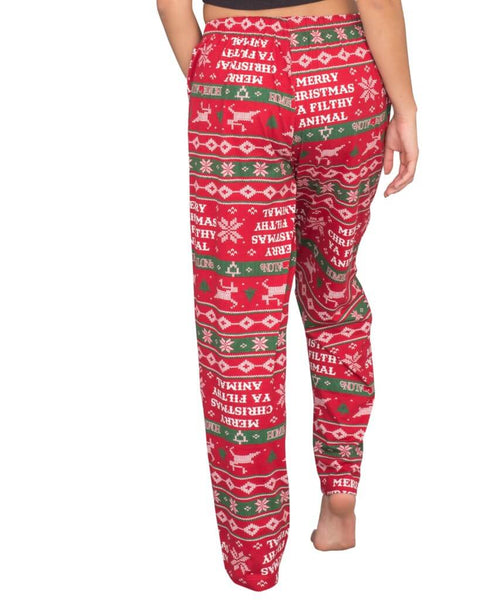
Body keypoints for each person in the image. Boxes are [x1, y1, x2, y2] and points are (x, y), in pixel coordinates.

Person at [157, 0, 418, 591]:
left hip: (235, 71)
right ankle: (341, 496)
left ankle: (253, 556)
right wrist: (405, 106)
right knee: (333, 294)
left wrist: (218, 83)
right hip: (341, 72)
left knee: (241, 323)